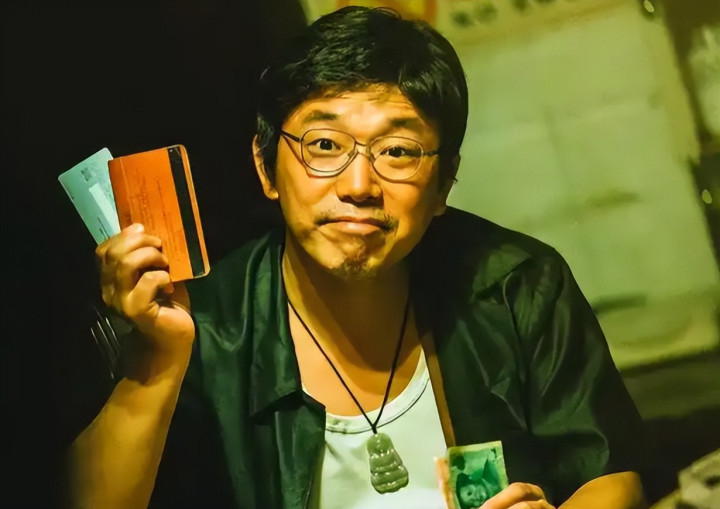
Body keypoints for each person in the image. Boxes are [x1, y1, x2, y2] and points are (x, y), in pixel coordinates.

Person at [66, 6, 647, 509]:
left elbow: (609, 475)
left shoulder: (515, 284)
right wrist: (156, 361)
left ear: (444, 183)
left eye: (398, 151)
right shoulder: (207, 326)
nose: (359, 185)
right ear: (266, 168)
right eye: (324, 145)